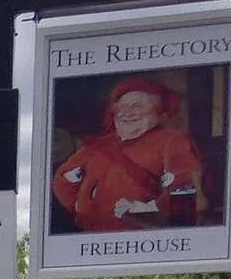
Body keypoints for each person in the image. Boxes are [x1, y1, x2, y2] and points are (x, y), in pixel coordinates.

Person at [51, 75, 207, 232]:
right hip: (95, 236)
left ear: (156, 110)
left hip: (147, 236)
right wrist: (81, 206)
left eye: (137, 106)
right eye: (122, 108)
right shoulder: (96, 145)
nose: (128, 113)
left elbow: (185, 188)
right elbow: (62, 179)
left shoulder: (172, 141)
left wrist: (147, 208)